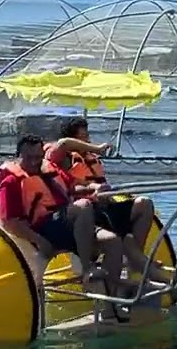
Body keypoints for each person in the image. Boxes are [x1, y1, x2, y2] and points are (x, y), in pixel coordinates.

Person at [0, 134, 129, 305]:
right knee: (83, 206)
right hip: (44, 227)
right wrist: (39, 240)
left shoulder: (49, 170)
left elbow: (74, 186)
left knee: (113, 241)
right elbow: (10, 222)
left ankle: (111, 306)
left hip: (70, 224)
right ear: (18, 156)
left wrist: (94, 187)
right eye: (29, 158)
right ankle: (88, 269)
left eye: (38, 157)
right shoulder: (12, 181)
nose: (35, 162)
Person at [46, 117, 166, 281]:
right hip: (87, 212)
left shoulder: (90, 158)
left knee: (144, 203)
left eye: (87, 136)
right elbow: (64, 143)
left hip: (106, 207)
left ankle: (134, 259)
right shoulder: (64, 158)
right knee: (119, 240)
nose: (87, 140)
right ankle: (139, 264)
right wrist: (97, 148)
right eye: (82, 138)